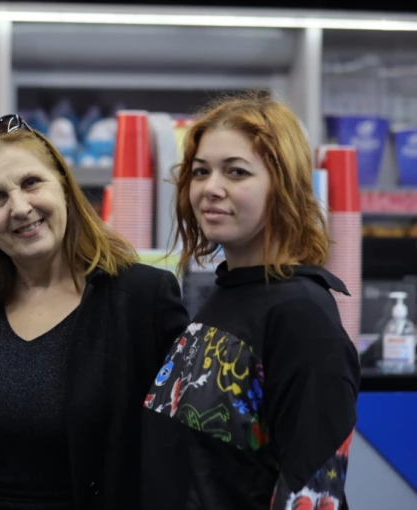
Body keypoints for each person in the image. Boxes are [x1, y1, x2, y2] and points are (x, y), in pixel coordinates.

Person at [0, 114, 190, 510]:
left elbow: (181, 451)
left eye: (31, 183)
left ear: (66, 189)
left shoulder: (142, 298)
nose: (20, 207)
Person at [141, 94, 360, 510]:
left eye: (236, 172)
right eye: (201, 171)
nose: (210, 188)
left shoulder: (301, 315)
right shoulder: (230, 292)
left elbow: (312, 491)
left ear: (283, 185)